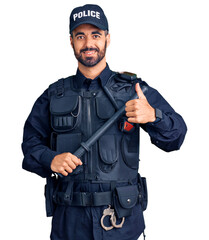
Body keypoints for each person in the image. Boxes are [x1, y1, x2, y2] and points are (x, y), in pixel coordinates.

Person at [22, 4, 187, 240]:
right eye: (80, 36)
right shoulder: (54, 94)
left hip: (122, 223)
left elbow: (177, 135)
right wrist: (50, 159)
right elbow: (29, 146)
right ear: (71, 41)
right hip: (70, 225)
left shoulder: (134, 90)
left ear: (107, 38)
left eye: (96, 35)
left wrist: (154, 116)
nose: (88, 43)